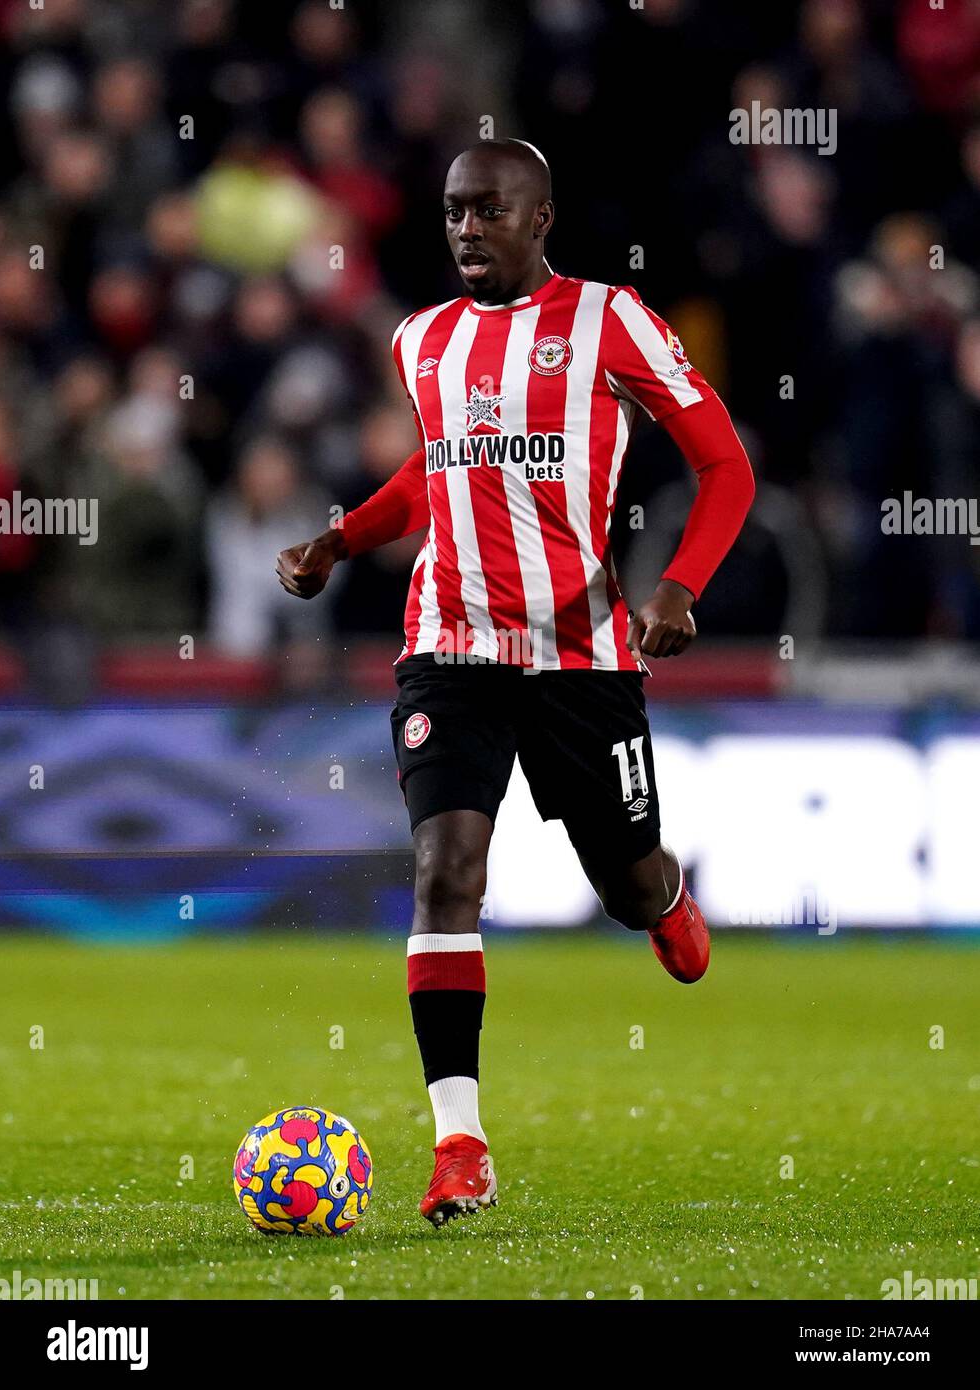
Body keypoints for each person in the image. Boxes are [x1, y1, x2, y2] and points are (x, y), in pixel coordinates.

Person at [277, 139, 755, 1226]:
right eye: (452, 212)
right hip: (448, 647)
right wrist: (341, 540)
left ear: (540, 218)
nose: (465, 230)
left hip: (580, 656)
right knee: (447, 871)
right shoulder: (421, 340)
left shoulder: (609, 321)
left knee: (626, 886)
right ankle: (460, 1148)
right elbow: (437, 467)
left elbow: (723, 464)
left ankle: (664, 898)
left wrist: (678, 586)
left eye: (488, 212)